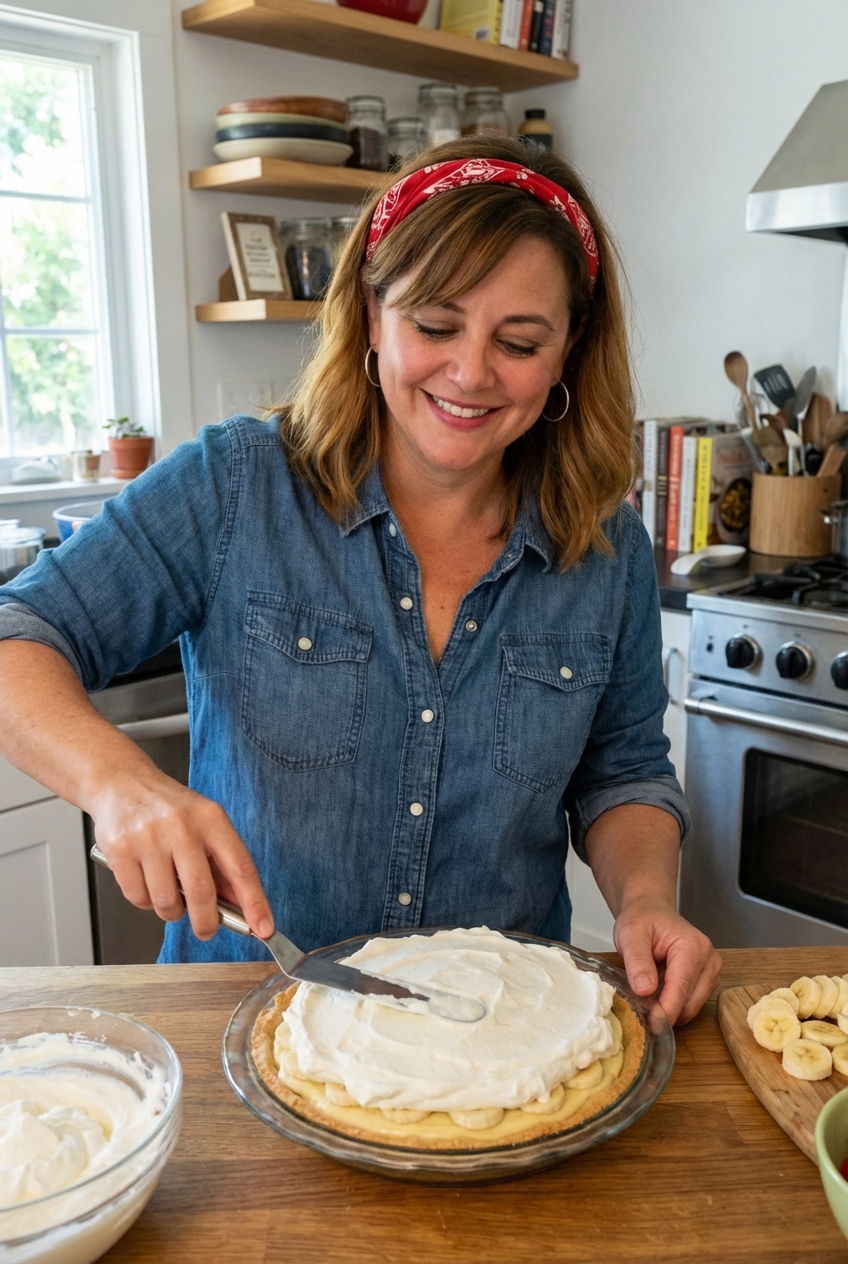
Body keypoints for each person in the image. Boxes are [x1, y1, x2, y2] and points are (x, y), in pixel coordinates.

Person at [0, 137, 721, 1024]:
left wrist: (646, 901)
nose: (469, 373)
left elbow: (625, 773)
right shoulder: (237, 486)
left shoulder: (604, 548)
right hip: (246, 1011)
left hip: (502, 1029)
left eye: (520, 341)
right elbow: (18, 634)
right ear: (372, 315)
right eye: (435, 324)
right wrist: (119, 783)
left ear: (568, 351)